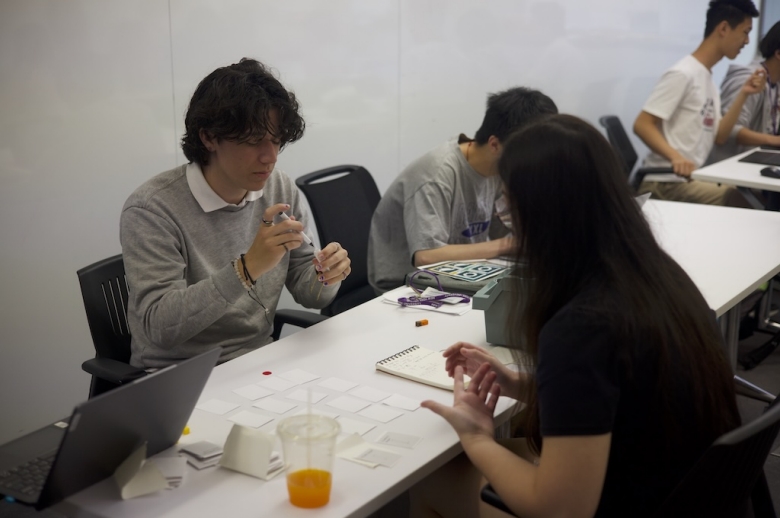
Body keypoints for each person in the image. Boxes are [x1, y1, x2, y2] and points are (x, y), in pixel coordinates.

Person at [412, 115, 740, 517]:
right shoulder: (658, 276)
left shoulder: (582, 326)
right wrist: (521, 384)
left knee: (434, 480)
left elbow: (561, 510)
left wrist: (478, 437)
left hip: (624, 501)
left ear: (542, 215)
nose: (509, 220)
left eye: (510, 206)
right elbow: (627, 397)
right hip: (683, 494)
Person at [120, 58, 351, 369]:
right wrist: (247, 267)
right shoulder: (153, 209)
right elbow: (159, 328)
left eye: (276, 140)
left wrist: (327, 275)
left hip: (260, 362)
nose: (269, 157)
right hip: (178, 376)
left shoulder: (278, 187)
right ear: (209, 137)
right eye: (254, 141)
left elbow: (310, 294)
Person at [367, 87, 557, 293]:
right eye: (528, 151)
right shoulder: (436, 176)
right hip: (405, 287)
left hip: (456, 276)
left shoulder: (497, 171)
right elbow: (426, 256)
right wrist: (510, 245)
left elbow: (505, 231)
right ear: (495, 144)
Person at [633, 0, 763, 205]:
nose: (746, 41)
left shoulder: (706, 78)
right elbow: (642, 124)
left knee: (746, 196)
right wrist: (676, 158)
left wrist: (744, 93)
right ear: (723, 28)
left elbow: (720, 136)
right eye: (745, 32)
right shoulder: (683, 73)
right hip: (664, 182)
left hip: (686, 180)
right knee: (738, 199)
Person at [712, 20, 780, 163]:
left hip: (756, 167)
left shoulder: (776, 84)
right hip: (729, 171)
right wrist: (774, 140)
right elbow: (729, 130)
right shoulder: (749, 79)